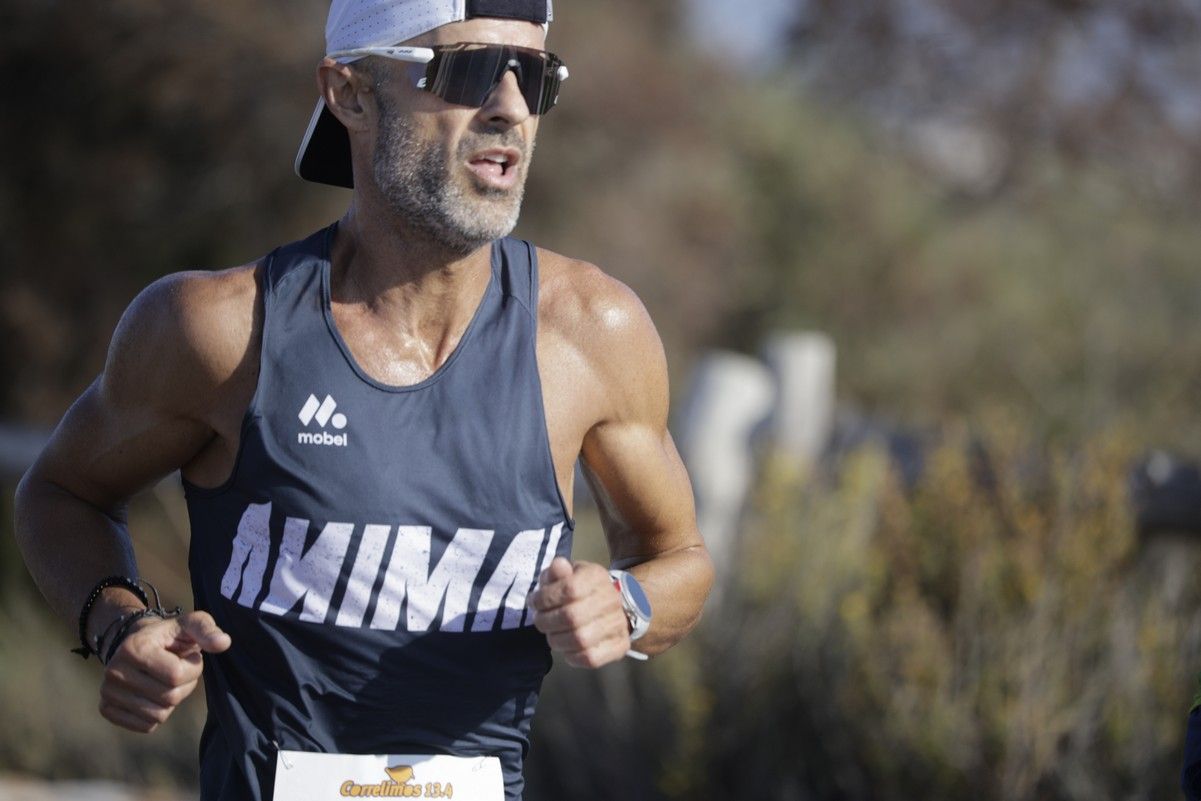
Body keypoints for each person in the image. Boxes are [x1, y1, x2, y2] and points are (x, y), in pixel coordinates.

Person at [12, 1, 714, 799]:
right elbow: (61, 492)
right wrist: (122, 625)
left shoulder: (593, 331)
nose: (511, 107)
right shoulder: (218, 330)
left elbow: (680, 561)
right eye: (471, 69)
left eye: (536, 76)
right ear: (349, 92)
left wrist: (624, 603)